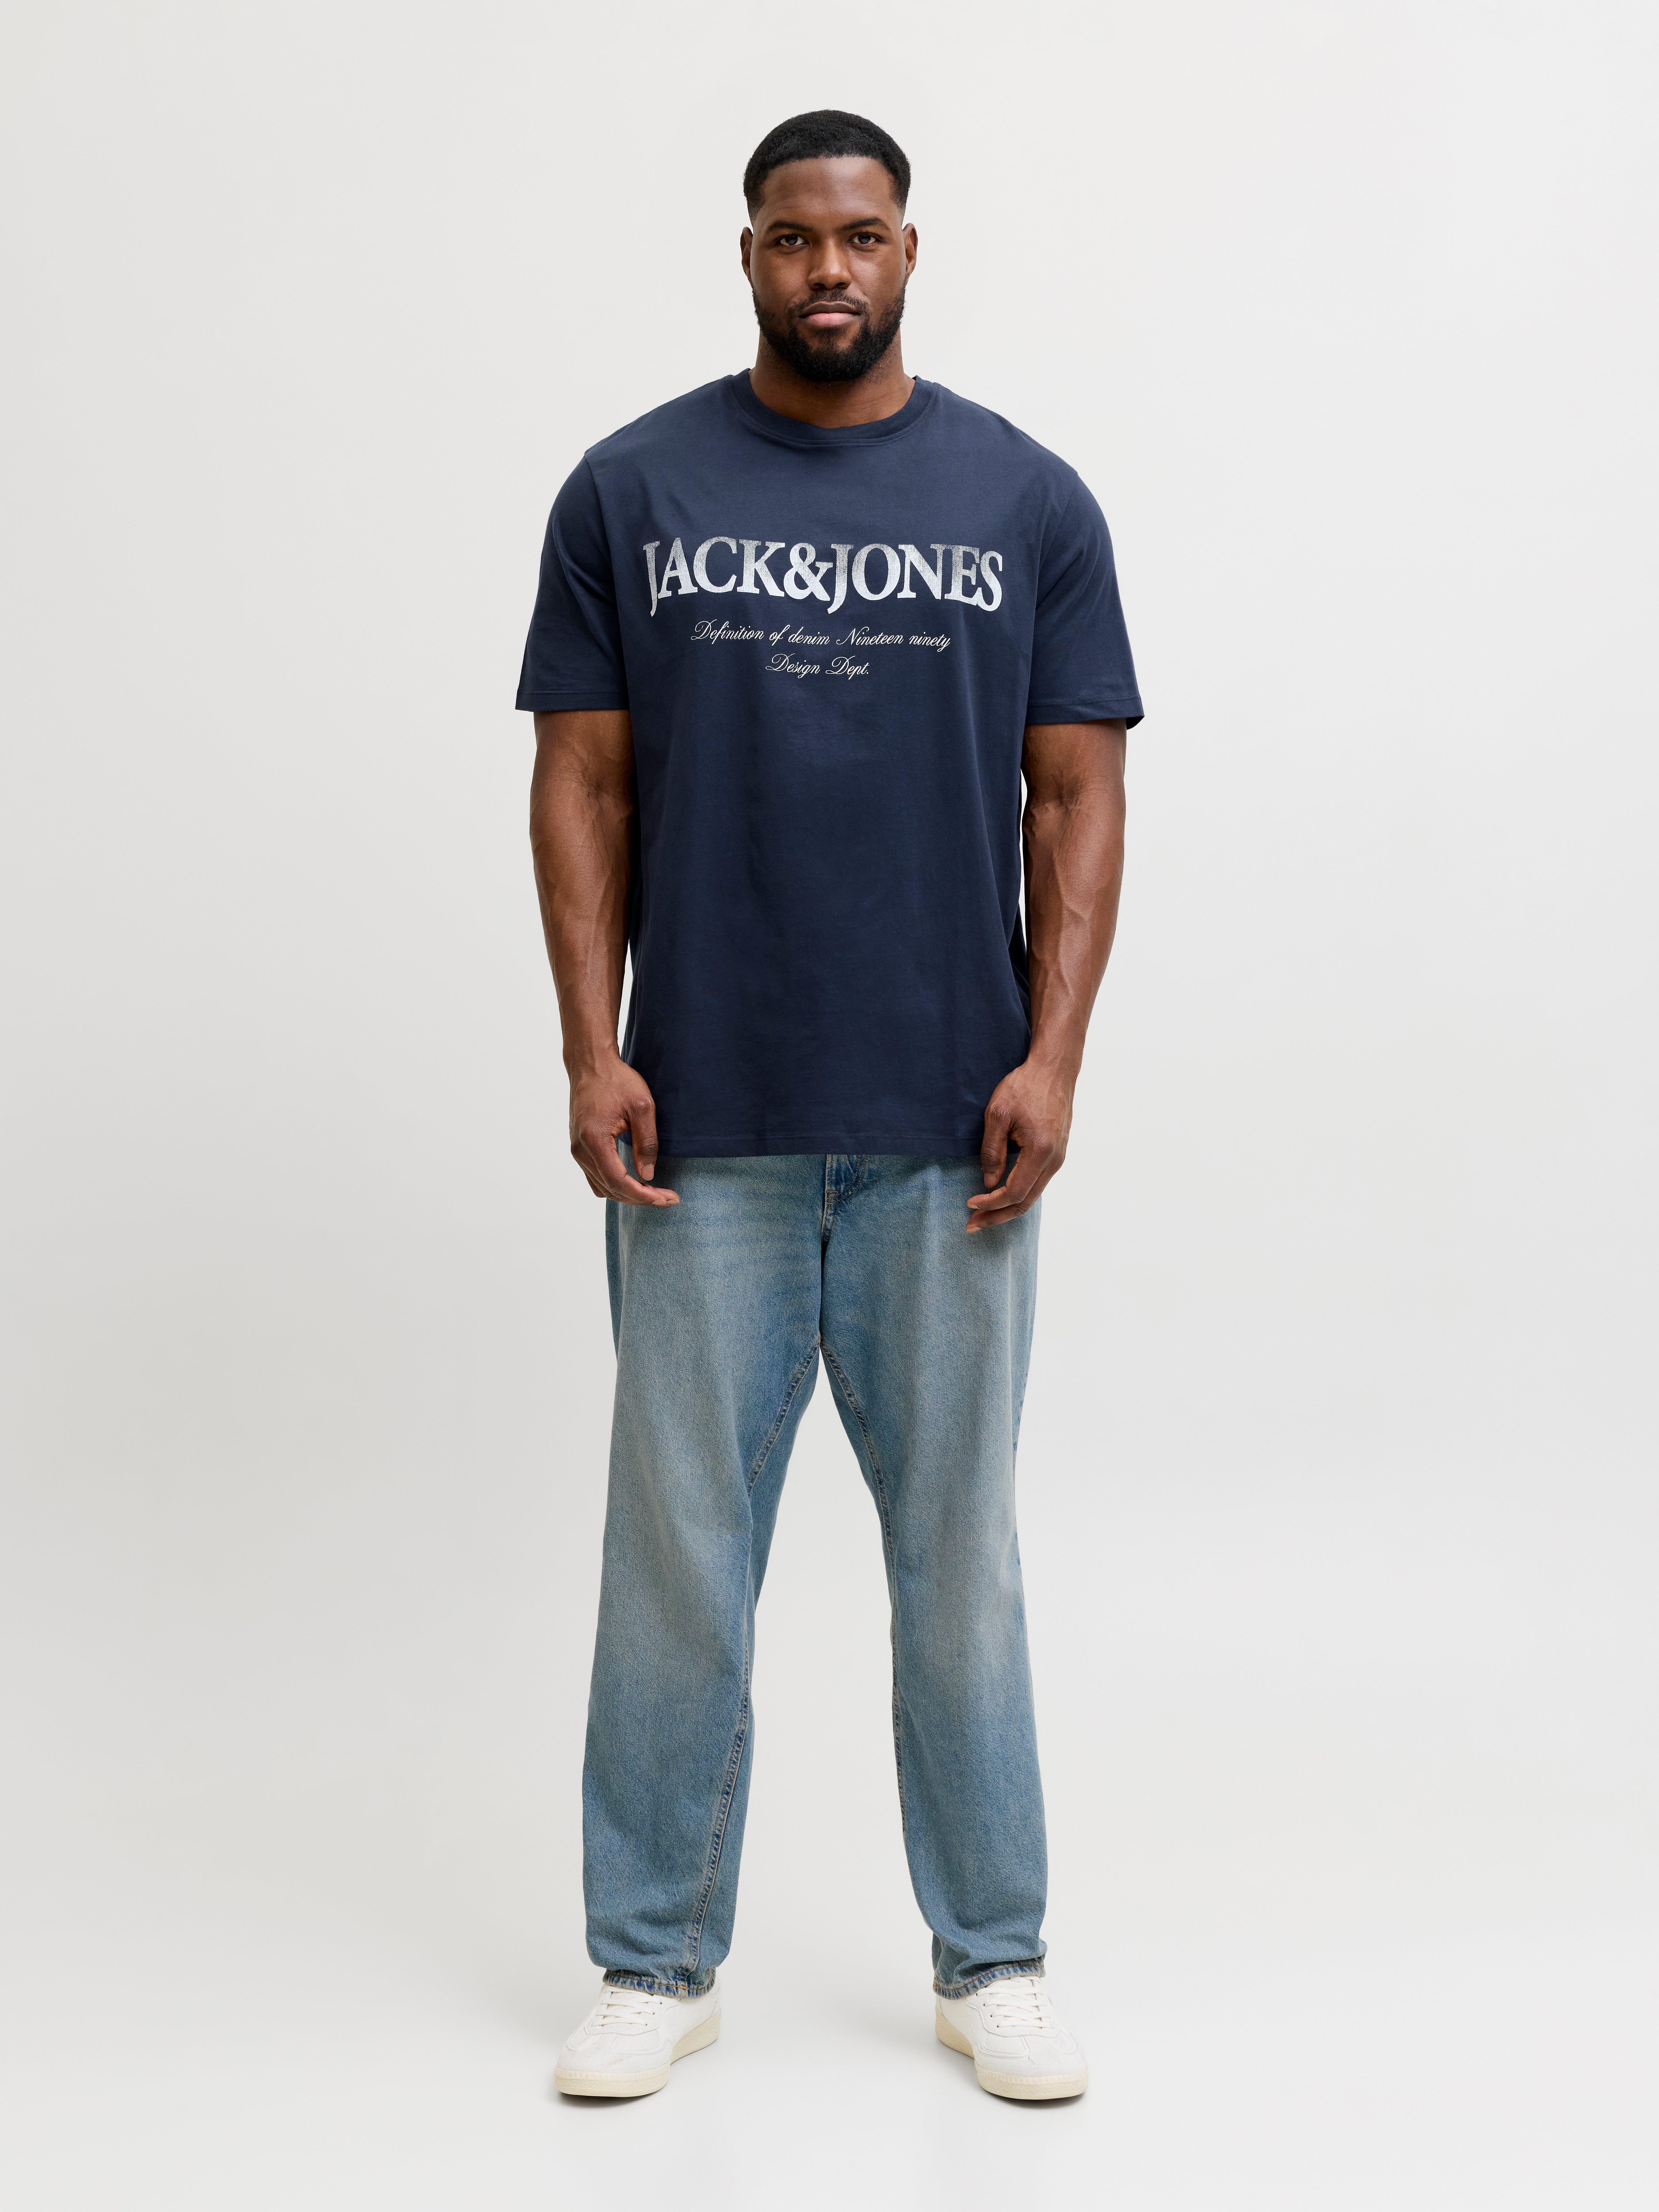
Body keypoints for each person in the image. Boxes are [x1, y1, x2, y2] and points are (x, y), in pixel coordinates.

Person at [517, 109, 1141, 2103]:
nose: (827, 270)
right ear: (748, 256)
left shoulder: (1022, 496)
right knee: (677, 1558)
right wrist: (589, 1042)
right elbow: (580, 779)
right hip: (698, 1118)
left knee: (958, 1558)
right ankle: (652, 1960)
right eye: (793, 238)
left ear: (909, 250)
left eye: (859, 236)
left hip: (949, 1125)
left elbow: (1078, 794)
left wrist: (1052, 1057)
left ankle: (993, 1957)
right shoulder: (631, 488)